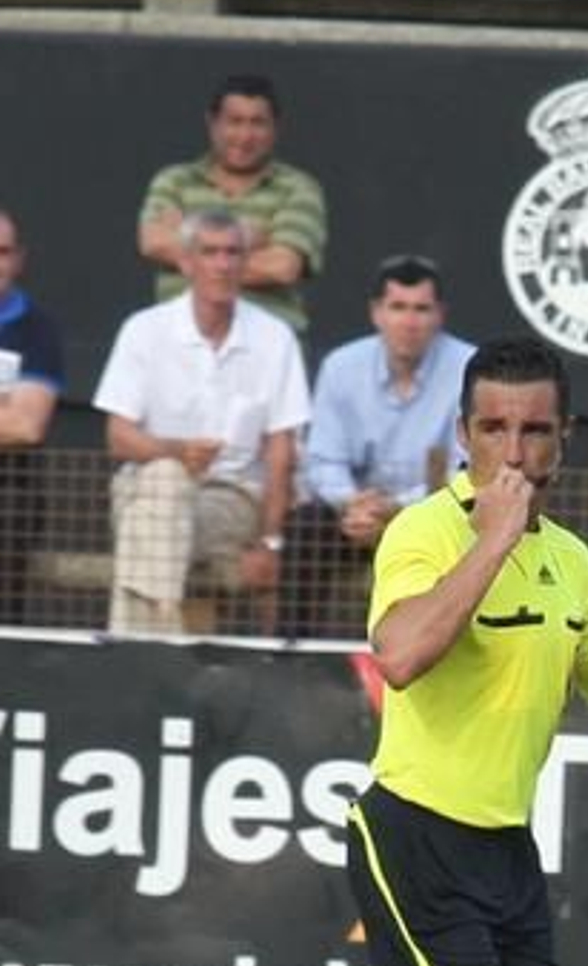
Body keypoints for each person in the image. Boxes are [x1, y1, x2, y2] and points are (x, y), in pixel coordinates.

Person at [346, 336, 588, 966]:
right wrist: (495, 539)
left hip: (507, 848)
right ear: (465, 435)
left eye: (535, 430)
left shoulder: (570, 557)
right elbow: (400, 658)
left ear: (566, 437)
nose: (516, 453)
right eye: (494, 429)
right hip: (417, 837)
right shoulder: (423, 531)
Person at [94, 207, 310, 636]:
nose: (222, 264)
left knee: (155, 519)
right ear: (185, 262)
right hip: (141, 489)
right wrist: (178, 452)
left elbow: (281, 452)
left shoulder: (274, 337)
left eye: (233, 253)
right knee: (166, 483)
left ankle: (139, 653)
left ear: (245, 263)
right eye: (209, 252)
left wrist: (270, 542)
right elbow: (117, 437)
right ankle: (165, 642)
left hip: (230, 498)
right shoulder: (143, 329)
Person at [280, 254, 474, 639]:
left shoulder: (469, 366)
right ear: (376, 313)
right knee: (306, 527)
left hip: (433, 519)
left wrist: (397, 509)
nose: (409, 322)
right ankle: (296, 656)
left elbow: (466, 469)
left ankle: (428, 656)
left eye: (421, 309)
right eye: (398, 307)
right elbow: (322, 461)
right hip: (354, 520)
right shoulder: (341, 366)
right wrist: (355, 504)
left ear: (439, 315)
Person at [138, 74, 328, 334]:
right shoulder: (175, 182)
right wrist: (249, 240)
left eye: (257, 123)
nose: (245, 135)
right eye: (234, 122)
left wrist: (192, 244)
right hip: (178, 342)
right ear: (212, 123)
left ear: (275, 128)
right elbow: (153, 242)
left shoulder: (299, 189)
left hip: (270, 341)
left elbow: (283, 268)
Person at [0, 208, 64, 623]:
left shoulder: (38, 329)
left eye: (2, 251)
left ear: (19, 259)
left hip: (7, 487)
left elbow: (25, 426)